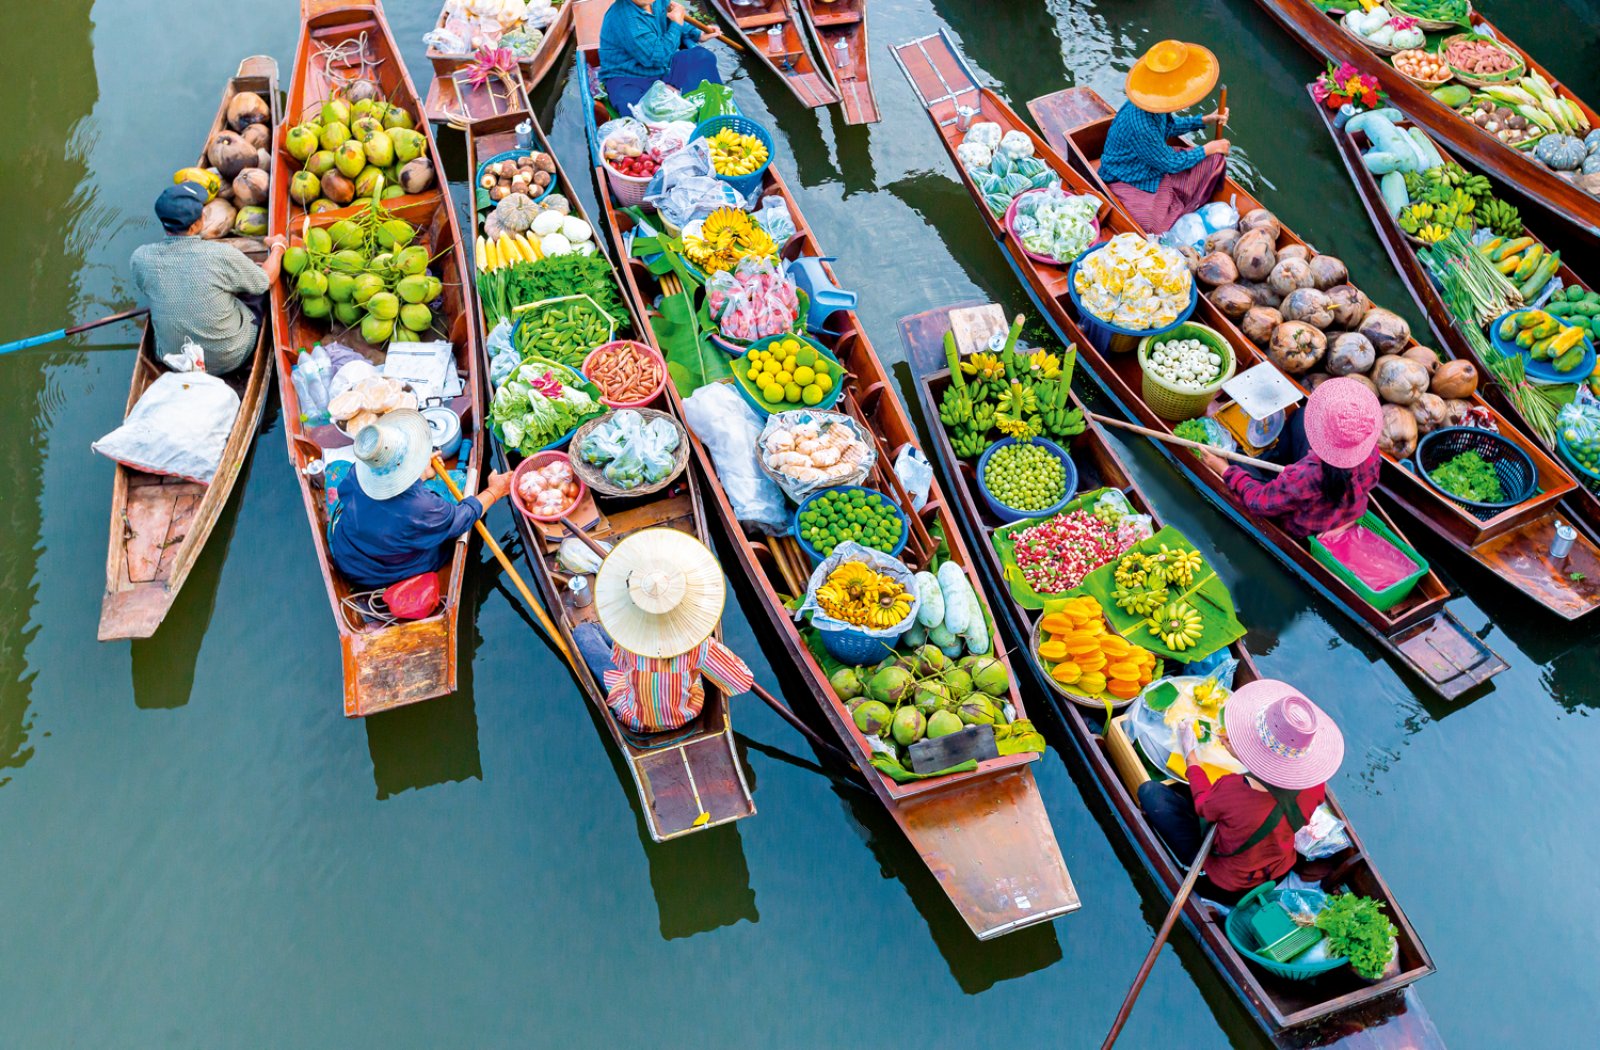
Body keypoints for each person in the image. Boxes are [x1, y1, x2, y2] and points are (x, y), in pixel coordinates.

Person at [1137, 679, 1344, 903]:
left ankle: (1194, 871)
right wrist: (1239, 753)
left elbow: (1203, 805)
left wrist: (1190, 755)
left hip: (1224, 884)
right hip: (1277, 869)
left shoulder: (1235, 790)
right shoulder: (1315, 783)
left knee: (1151, 793)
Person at [328, 409, 512, 591]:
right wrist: (495, 490)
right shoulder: (421, 506)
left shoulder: (356, 474)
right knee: (454, 500)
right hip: (382, 573)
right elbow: (460, 519)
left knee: (339, 470)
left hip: (347, 553)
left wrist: (420, 474)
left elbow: (352, 495)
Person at [592, 527, 752, 734]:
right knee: (697, 669)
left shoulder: (626, 640)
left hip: (633, 718)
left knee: (584, 633)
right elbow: (742, 682)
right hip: (686, 714)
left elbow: (620, 665)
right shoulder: (701, 647)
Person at [1199, 376, 1384, 540]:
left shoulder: (1308, 475)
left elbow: (1258, 502)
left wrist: (1223, 469)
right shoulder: (1369, 449)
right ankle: (1273, 457)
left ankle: (1259, 469)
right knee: (1302, 415)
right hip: (1336, 505)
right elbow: (1369, 482)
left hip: (1302, 525)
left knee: (1234, 460)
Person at [130, 182, 287, 374]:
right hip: (230, 356)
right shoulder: (220, 254)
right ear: (197, 224)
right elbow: (266, 279)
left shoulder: (141, 258)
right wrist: (278, 247)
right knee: (257, 291)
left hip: (175, 360)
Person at [1098, 40, 1231, 235]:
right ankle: (1173, 203)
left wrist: (1205, 119)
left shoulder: (1155, 105)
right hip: (1128, 175)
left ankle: (1176, 199)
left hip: (1153, 161)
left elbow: (1169, 127)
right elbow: (1169, 163)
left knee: (1215, 159)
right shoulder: (1141, 123)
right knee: (1153, 228)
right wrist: (1208, 148)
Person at [598, 0, 723, 116]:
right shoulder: (626, 18)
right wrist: (676, 24)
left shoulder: (657, 1)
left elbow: (671, 17)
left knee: (702, 57)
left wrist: (698, 34)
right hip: (629, 77)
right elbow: (657, 58)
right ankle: (671, 94)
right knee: (637, 110)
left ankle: (712, 109)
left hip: (661, 69)